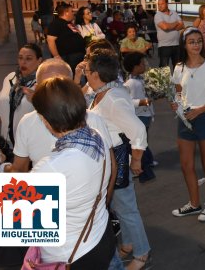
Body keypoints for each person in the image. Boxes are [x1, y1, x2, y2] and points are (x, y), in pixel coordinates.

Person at [31, 77, 116, 268]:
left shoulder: (50, 167)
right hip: (101, 235)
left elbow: (23, 225)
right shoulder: (96, 136)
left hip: (70, 256)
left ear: (45, 120)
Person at [83, 49, 151, 269]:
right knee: (119, 206)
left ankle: (142, 253)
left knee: (127, 209)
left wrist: (137, 160)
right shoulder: (108, 90)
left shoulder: (111, 98)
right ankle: (130, 244)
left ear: (96, 74)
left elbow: (138, 130)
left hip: (117, 160)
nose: (85, 74)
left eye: (87, 71)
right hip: (108, 161)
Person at [171, 27, 205, 222]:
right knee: (186, 165)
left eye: (199, 41)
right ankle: (194, 203)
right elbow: (177, 92)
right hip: (185, 120)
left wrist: (200, 110)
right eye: (192, 41)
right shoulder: (179, 67)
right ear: (185, 44)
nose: (196, 45)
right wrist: (175, 103)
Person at [0, 44, 42, 149]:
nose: (23, 62)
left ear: (39, 61)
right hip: (7, 145)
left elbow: (52, 114)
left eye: (28, 59)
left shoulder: (42, 83)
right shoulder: (10, 78)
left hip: (30, 146)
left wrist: (37, 100)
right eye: (20, 58)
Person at [123, 51, 156, 184]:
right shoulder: (130, 83)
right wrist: (142, 102)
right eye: (142, 63)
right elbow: (127, 101)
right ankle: (142, 165)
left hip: (146, 114)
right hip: (139, 115)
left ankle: (146, 160)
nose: (145, 65)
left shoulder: (142, 79)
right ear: (135, 66)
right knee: (140, 141)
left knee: (144, 139)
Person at [47, 2, 86, 72]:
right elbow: (50, 40)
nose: (73, 13)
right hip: (67, 57)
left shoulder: (69, 23)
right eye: (72, 11)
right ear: (66, 12)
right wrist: (56, 56)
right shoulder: (56, 23)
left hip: (77, 56)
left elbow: (78, 34)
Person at [155, 0, 184, 69]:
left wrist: (170, 26)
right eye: (158, 4)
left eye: (162, 4)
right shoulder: (158, 15)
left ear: (167, 4)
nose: (160, 6)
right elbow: (165, 27)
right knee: (164, 70)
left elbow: (182, 25)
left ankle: (176, 81)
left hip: (176, 44)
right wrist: (176, 23)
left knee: (178, 68)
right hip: (164, 46)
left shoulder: (174, 13)